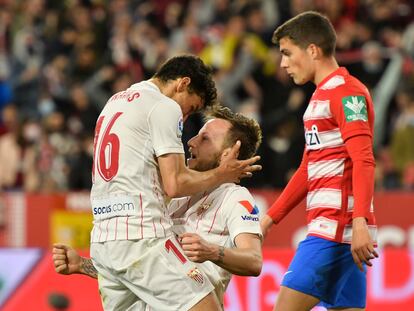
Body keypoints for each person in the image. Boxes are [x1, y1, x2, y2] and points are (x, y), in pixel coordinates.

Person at [80, 55, 261, 311]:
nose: (185, 120)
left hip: (103, 238)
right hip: (140, 234)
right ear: (182, 84)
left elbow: (253, 260)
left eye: (204, 137)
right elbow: (174, 183)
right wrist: (222, 173)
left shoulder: (115, 101)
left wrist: (83, 265)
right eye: (190, 108)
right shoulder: (164, 106)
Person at [53, 105, 263, 308]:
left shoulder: (236, 198)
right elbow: (145, 270)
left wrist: (212, 251)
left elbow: (253, 262)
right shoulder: (177, 196)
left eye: (205, 138)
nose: (191, 141)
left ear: (229, 153)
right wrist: (83, 265)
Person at [260, 11, 378, 311]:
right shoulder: (319, 97)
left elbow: (363, 159)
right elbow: (308, 169)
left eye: (287, 53)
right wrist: (270, 218)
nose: (283, 63)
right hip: (340, 230)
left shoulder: (347, 93)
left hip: (336, 230)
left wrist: (360, 221)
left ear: (312, 49)